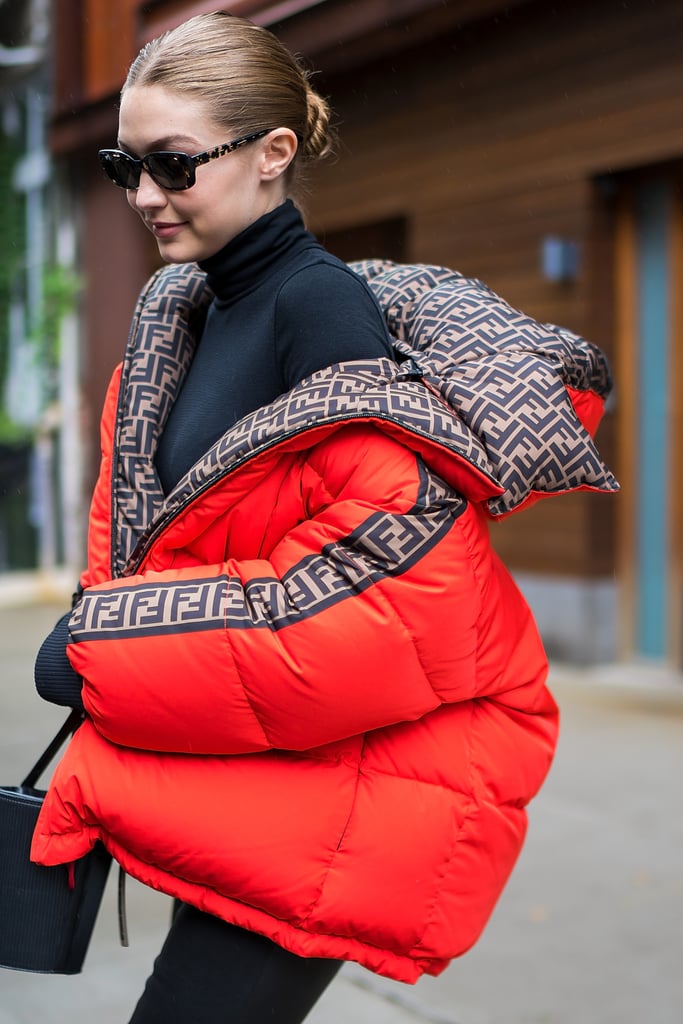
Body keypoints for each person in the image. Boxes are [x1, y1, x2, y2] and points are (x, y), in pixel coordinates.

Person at [32, 10, 618, 1024]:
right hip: (251, 774)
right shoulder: (191, 315)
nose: (140, 195)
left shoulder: (320, 315)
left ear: (272, 154)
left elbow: (380, 595)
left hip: (351, 789)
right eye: (125, 163)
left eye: (172, 164)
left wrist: (101, 649)